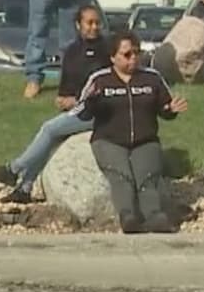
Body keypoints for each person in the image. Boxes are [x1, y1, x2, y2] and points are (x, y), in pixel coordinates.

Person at [0, 5, 108, 203]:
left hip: (100, 112)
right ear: (78, 25)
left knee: (49, 129)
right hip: (79, 110)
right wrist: (63, 99)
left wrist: (76, 100)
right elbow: (66, 87)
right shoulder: (72, 52)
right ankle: (25, 189)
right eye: (89, 23)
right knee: (50, 138)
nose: (94, 27)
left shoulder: (107, 51)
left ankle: (14, 169)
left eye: (97, 23)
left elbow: (106, 89)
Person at [77, 32, 188, 234]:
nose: (133, 58)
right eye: (127, 54)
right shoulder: (100, 80)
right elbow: (82, 114)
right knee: (122, 176)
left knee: (147, 177)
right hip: (109, 140)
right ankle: (127, 216)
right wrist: (92, 102)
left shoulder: (151, 78)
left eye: (136, 53)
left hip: (144, 140)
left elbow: (163, 109)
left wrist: (170, 109)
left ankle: (154, 216)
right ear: (113, 57)